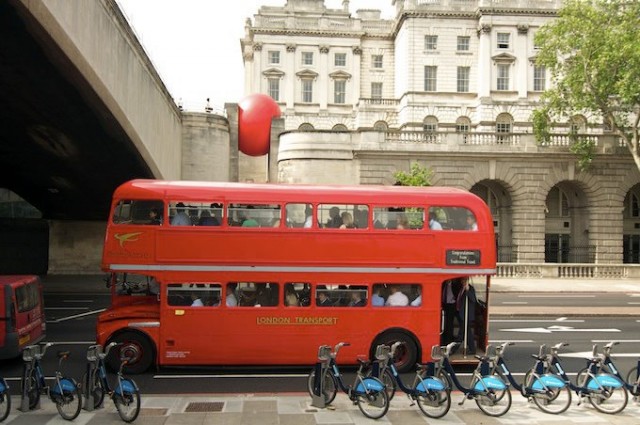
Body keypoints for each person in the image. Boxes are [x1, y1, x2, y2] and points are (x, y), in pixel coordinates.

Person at [455, 278, 477, 354]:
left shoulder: (470, 289)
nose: (462, 282)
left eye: (464, 281)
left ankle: (454, 349)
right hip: (461, 314)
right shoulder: (461, 288)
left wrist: (467, 291)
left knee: (462, 334)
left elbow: (473, 299)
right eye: (462, 280)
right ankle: (472, 349)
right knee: (467, 333)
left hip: (467, 315)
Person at [442, 279, 461, 344]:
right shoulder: (443, 284)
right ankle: (446, 337)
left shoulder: (454, 285)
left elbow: (457, 294)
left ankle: (449, 338)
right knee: (446, 322)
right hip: (445, 304)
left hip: (452, 305)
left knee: (449, 322)